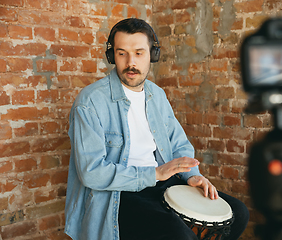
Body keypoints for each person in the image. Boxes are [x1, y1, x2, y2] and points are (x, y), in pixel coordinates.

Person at [64, 18, 249, 240]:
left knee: (238, 213)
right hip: (119, 193)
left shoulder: (157, 95)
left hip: (160, 181)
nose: (130, 62)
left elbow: (179, 143)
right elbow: (91, 172)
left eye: (139, 53)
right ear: (112, 56)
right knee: (179, 235)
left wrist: (192, 176)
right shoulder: (90, 102)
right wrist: (154, 174)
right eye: (122, 53)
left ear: (153, 55)